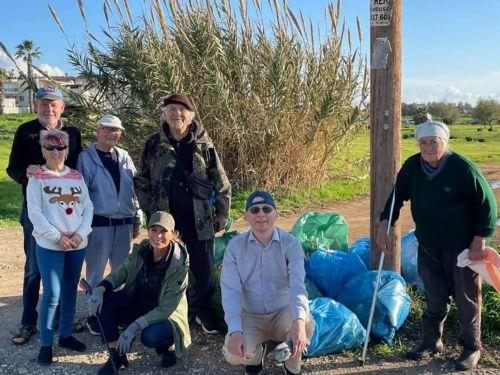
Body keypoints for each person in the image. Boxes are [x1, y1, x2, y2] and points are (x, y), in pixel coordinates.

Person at [376, 116, 497, 371]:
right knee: (434, 294)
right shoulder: (412, 167)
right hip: (429, 244)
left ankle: (471, 347)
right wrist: (384, 223)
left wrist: (479, 241)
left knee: (467, 298)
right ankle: (431, 342)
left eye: (434, 142)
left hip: (461, 248)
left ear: (444, 143)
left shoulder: (462, 168)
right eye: (424, 143)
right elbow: (397, 196)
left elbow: (487, 204)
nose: (429, 148)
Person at [134, 93, 231, 333]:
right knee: (167, 268)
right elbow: (141, 180)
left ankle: (200, 311)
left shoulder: (204, 144)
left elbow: (221, 181)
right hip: (166, 221)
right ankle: (169, 314)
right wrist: (151, 213)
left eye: (182, 110)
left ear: (191, 116)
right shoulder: (154, 144)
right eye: (172, 109)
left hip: (199, 219)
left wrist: (222, 212)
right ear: (164, 114)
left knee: (205, 271)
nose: (177, 114)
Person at [6, 86, 83, 345]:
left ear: (62, 107)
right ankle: (28, 322)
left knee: (66, 268)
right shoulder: (25, 131)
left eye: (53, 104)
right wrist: (25, 172)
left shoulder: (72, 133)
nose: (48, 108)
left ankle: (63, 321)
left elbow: (76, 169)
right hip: (36, 211)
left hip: (67, 212)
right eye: (43, 104)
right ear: (36, 105)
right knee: (34, 268)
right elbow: (12, 168)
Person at [221, 191, 315, 375]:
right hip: (251, 315)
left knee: (306, 324)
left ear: (275, 214)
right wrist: (235, 330)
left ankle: (292, 364)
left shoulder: (291, 244)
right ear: (247, 216)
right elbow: (230, 291)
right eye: (254, 210)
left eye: (266, 209)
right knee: (234, 355)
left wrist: (297, 321)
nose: (261, 214)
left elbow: (298, 286)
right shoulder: (234, 247)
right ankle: (255, 356)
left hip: (283, 311)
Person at [88, 211, 191, 374]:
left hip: (165, 314)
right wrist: (100, 288)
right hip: (139, 304)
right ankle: (117, 355)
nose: (158, 236)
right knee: (105, 300)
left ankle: (168, 347)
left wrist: (133, 327)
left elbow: (167, 308)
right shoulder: (141, 250)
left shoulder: (179, 265)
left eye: (163, 231)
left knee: (150, 336)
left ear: (173, 234)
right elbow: (119, 274)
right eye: (153, 230)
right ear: (147, 230)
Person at [26, 129, 93, 365]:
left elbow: (88, 207)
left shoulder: (76, 176)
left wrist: (80, 234)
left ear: (67, 150)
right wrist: (57, 237)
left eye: (60, 147)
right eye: (50, 148)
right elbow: (35, 212)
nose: (56, 152)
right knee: (52, 294)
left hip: (76, 244)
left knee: (69, 290)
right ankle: (46, 344)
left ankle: (65, 335)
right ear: (43, 151)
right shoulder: (37, 178)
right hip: (50, 245)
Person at [76, 114, 142, 335]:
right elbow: (81, 194)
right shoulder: (86, 157)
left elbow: (134, 190)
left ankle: (117, 311)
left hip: (124, 224)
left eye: (116, 130)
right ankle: (94, 314)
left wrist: (137, 217)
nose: (111, 134)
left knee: (122, 272)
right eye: (107, 129)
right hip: (99, 224)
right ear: (98, 131)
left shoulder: (124, 156)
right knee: (95, 273)